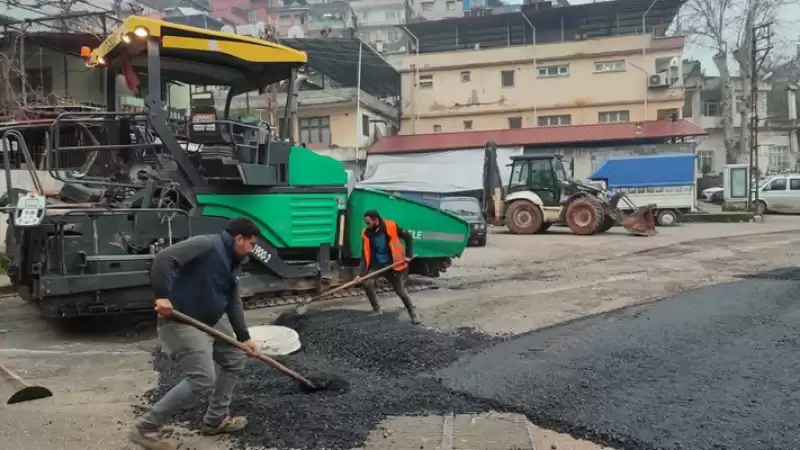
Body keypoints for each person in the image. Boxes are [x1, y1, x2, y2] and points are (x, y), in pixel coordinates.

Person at [129, 218, 262, 450]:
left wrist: (244, 337)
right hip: (181, 321)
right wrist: (162, 295)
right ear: (239, 239)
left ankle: (215, 420)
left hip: (209, 322)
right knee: (202, 378)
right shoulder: (206, 244)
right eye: (251, 244)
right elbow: (164, 258)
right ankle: (145, 427)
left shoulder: (234, 261)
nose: (252, 249)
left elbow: (233, 301)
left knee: (235, 358)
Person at [359, 210, 419, 324]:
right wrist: (360, 274)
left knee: (401, 292)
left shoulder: (391, 225)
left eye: (368, 222)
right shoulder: (366, 233)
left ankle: (413, 314)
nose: (367, 225)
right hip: (377, 265)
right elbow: (364, 254)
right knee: (366, 283)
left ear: (376, 220)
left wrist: (408, 255)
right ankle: (377, 310)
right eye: (365, 223)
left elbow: (408, 237)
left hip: (393, 266)